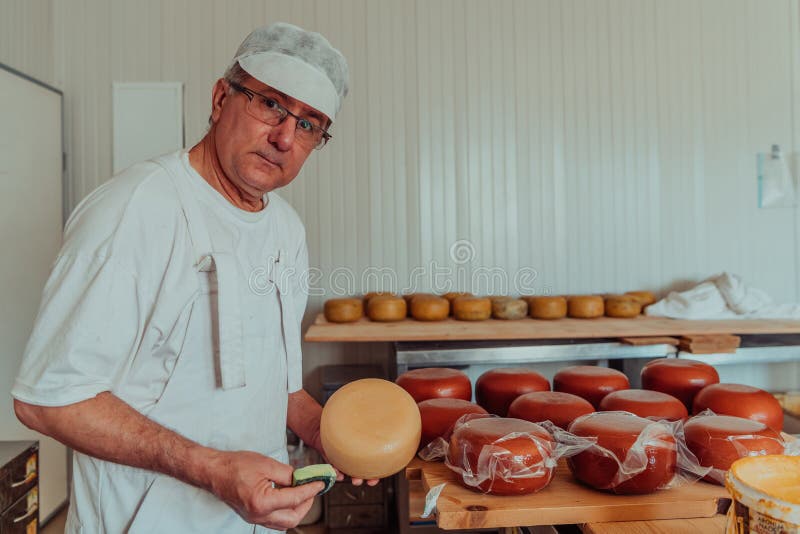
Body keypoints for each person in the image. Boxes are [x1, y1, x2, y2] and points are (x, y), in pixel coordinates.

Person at [12, 22, 370, 533]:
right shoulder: (136, 209)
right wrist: (213, 469)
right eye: (270, 104)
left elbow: (280, 388)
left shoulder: (285, 230)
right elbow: (48, 400)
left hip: (256, 522)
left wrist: (332, 435)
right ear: (221, 97)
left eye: (310, 124)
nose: (285, 137)